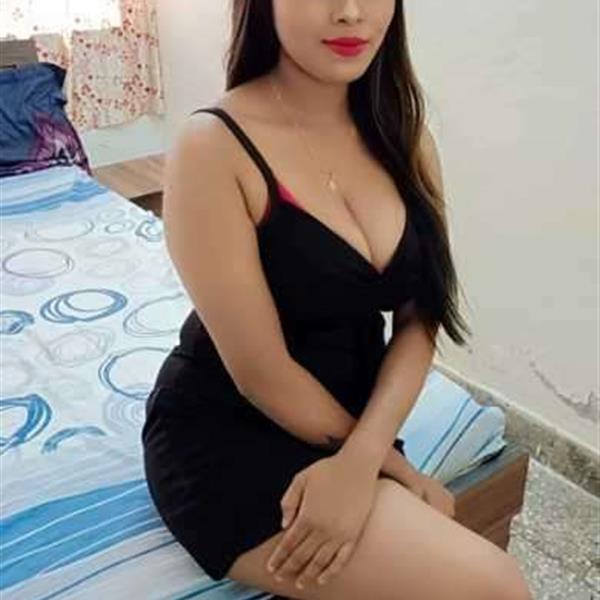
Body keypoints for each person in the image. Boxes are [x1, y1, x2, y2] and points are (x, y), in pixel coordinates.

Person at [141, 1, 532, 598]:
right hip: (229, 435)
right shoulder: (212, 147)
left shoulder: (407, 140)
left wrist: (366, 457)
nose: (351, 12)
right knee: (494, 584)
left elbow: (420, 319)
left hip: (351, 425)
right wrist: (388, 467)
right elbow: (260, 373)